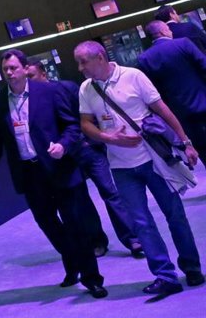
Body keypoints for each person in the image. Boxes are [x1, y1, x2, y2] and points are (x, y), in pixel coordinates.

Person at [0, 50, 107, 298]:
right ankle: (72, 261)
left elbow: (71, 126)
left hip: (60, 168)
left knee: (76, 224)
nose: (9, 73)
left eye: (13, 68)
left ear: (25, 69)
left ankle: (92, 278)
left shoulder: (49, 92)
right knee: (48, 224)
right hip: (29, 173)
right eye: (5, 69)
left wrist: (63, 145)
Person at [74, 40, 204, 296]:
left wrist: (186, 142)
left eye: (83, 62)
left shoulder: (133, 76)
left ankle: (192, 267)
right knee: (141, 223)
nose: (80, 68)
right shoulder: (86, 89)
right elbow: (85, 124)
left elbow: (163, 110)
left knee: (175, 215)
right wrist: (108, 138)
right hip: (121, 167)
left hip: (153, 160)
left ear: (100, 57)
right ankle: (165, 276)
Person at [26, 59, 143, 258]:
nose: (29, 81)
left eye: (32, 76)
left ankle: (133, 239)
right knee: (81, 201)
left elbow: (86, 117)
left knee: (110, 192)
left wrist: (93, 140)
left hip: (87, 149)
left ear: (43, 73)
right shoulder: (29, 103)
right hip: (63, 157)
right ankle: (97, 241)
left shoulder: (66, 88)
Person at [138, 20, 206, 153]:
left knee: (200, 146)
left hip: (179, 111)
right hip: (203, 99)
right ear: (163, 31)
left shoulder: (144, 59)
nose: (171, 32)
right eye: (168, 29)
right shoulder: (183, 43)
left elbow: (153, 89)